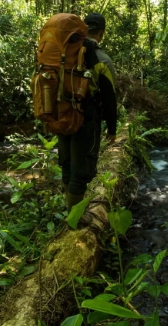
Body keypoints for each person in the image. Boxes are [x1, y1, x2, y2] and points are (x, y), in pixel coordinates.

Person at [57, 12, 117, 212]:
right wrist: (112, 129)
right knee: (80, 172)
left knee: (67, 165)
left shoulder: (64, 53)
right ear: (101, 32)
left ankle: (69, 212)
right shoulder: (101, 59)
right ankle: (75, 220)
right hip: (86, 120)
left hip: (64, 115)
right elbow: (109, 98)